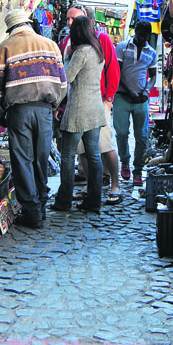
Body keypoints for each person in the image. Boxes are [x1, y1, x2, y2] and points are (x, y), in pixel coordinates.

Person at [0, 9, 67, 229]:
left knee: (22, 160)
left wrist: (0, 114)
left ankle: (31, 211)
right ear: (28, 23)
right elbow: (62, 84)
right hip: (44, 110)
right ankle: (41, 203)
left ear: (11, 28)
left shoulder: (3, 48)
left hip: (19, 111)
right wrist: (52, 106)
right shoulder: (51, 45)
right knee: (40, 158)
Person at [59, 7, 123, 204]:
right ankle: (93, 194)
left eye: (74, 20)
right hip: (93, 106)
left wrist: (110, 97)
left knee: (81, 152)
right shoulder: (92, 48)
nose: (70, 23)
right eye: (68, 19)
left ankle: (113, 185)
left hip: (83, 107)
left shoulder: (89, 47)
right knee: (88, 152)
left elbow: (67, 77)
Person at [50, 15, 107, 214]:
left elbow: (66, 78)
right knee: (94, 156)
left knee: (67, 156)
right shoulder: (98, 51)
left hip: (78, 110)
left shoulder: (81, 52)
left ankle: (64, 201)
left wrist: (55, 104)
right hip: (95, 109)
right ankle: (94, 200)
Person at [114, 21, 157, 186]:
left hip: (141, 99)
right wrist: (129, 90)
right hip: (122, 96)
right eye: (139, 35)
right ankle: (124, 162)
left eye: (145, 36)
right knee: (122, 133)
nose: (142, 38)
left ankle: (138, 170)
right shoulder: (123, 47)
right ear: (135, 33)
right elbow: (117, 71)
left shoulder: (151, 53)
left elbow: (152, 76)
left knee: (142, 136)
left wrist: (146, 91)